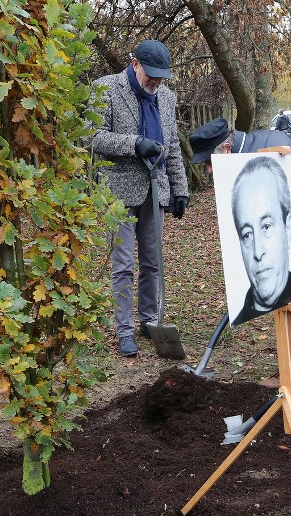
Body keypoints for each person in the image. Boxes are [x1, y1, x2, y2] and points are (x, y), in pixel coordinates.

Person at [188, 118, 291, 377]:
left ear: (225, 149)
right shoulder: (241, 156)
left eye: (208, 163)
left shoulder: (272, 146)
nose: (208, 171)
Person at [90, 40, 190, 357]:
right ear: (135, 64)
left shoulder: (166, 97)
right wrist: (134, 143)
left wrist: (180, 189)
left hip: (155, 189)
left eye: (162, 77)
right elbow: (92, 137)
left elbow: (172, 147)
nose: (157, 82)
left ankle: (148, 321)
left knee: (152, 262)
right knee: (122, 265)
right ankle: (124, 331)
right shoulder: (105, 89)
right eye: (152, 76)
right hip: (119, 191)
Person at [229, 156, 291, 326]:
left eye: (266, 226)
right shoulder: (238, 325)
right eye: (247, 234)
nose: (258, 252)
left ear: (287, 228)